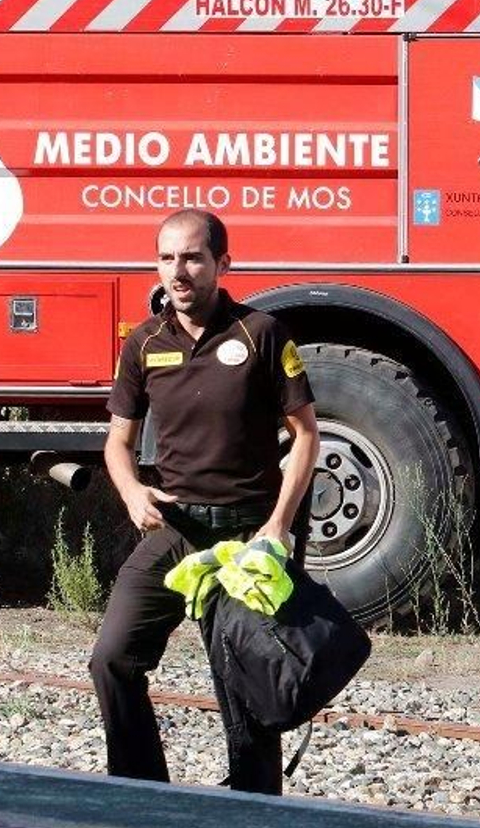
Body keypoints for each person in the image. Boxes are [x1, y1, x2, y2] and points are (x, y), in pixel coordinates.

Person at [91, 209, 319, 793]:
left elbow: (307, 435)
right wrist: (132, 490)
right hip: (174, 532)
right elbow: (118, 442)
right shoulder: (143, 343)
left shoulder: (261, 334)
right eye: (167, 258)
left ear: (223, 263)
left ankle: (251, 807)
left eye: (192, 257)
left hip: (245, 539)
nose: (178, 270)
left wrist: (278, 526)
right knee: (112, 659)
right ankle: (141, 794)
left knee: (246, 685)